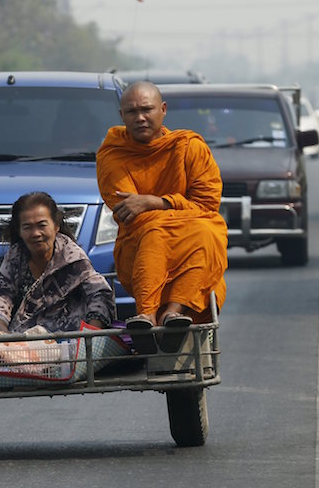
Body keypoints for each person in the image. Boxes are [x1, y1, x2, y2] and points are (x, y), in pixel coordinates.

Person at [95, 81, 227, 351]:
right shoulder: (113, 153)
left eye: (147, 109)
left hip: (193, 243)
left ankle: (172, 312)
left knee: (209, 229)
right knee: (157, 230)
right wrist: (175, 211)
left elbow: (208, 204)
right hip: (139, 249)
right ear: (122, 116)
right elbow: (130, 213)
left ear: (163, 110)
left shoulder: (189, 147)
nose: (140, 117)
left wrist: (156, 202)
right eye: (131, 112)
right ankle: (146, 314)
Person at [0, 191, 115, 333]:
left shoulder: (72, 257)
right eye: (28, 227)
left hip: (70, 341)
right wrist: (4, 336)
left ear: (56, 226)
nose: (36, 233)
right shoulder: (15, 256)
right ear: (19, 231)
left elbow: (100, 295)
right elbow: (1, 297)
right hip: (23, 341)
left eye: (42, 225)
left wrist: (89, 337)